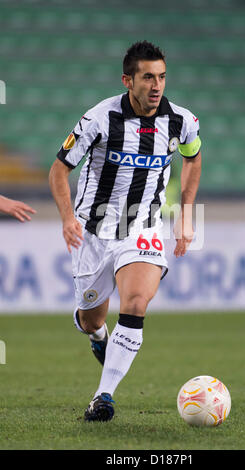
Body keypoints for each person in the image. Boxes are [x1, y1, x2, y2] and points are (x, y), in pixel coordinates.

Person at [49, 40, 202, 422]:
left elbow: (193, 158)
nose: (157, 85)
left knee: (135, 303)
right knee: (92, 318)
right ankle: (97, 336)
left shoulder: (182, 121)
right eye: (148, 77)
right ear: (127, 80)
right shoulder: (99, 119)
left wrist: (185, 214)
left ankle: (103, 397)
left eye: (162, 77)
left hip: (143, 224)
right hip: (93, 230)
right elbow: (59, 169)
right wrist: (68, 219)